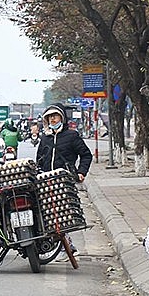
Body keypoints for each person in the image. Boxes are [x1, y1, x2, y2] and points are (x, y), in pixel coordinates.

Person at [36, 103, 93, 259]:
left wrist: (81, 172)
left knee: (62, 214)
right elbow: (39, 159)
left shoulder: (71, 136)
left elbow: (86, 155)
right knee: (48, 214)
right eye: (50, 117)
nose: (53, 119)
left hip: (64, 181)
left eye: (55, 116)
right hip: (46, 181)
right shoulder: (45, 138)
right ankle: (65, 245)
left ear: (62, 117)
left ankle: (64, 248)